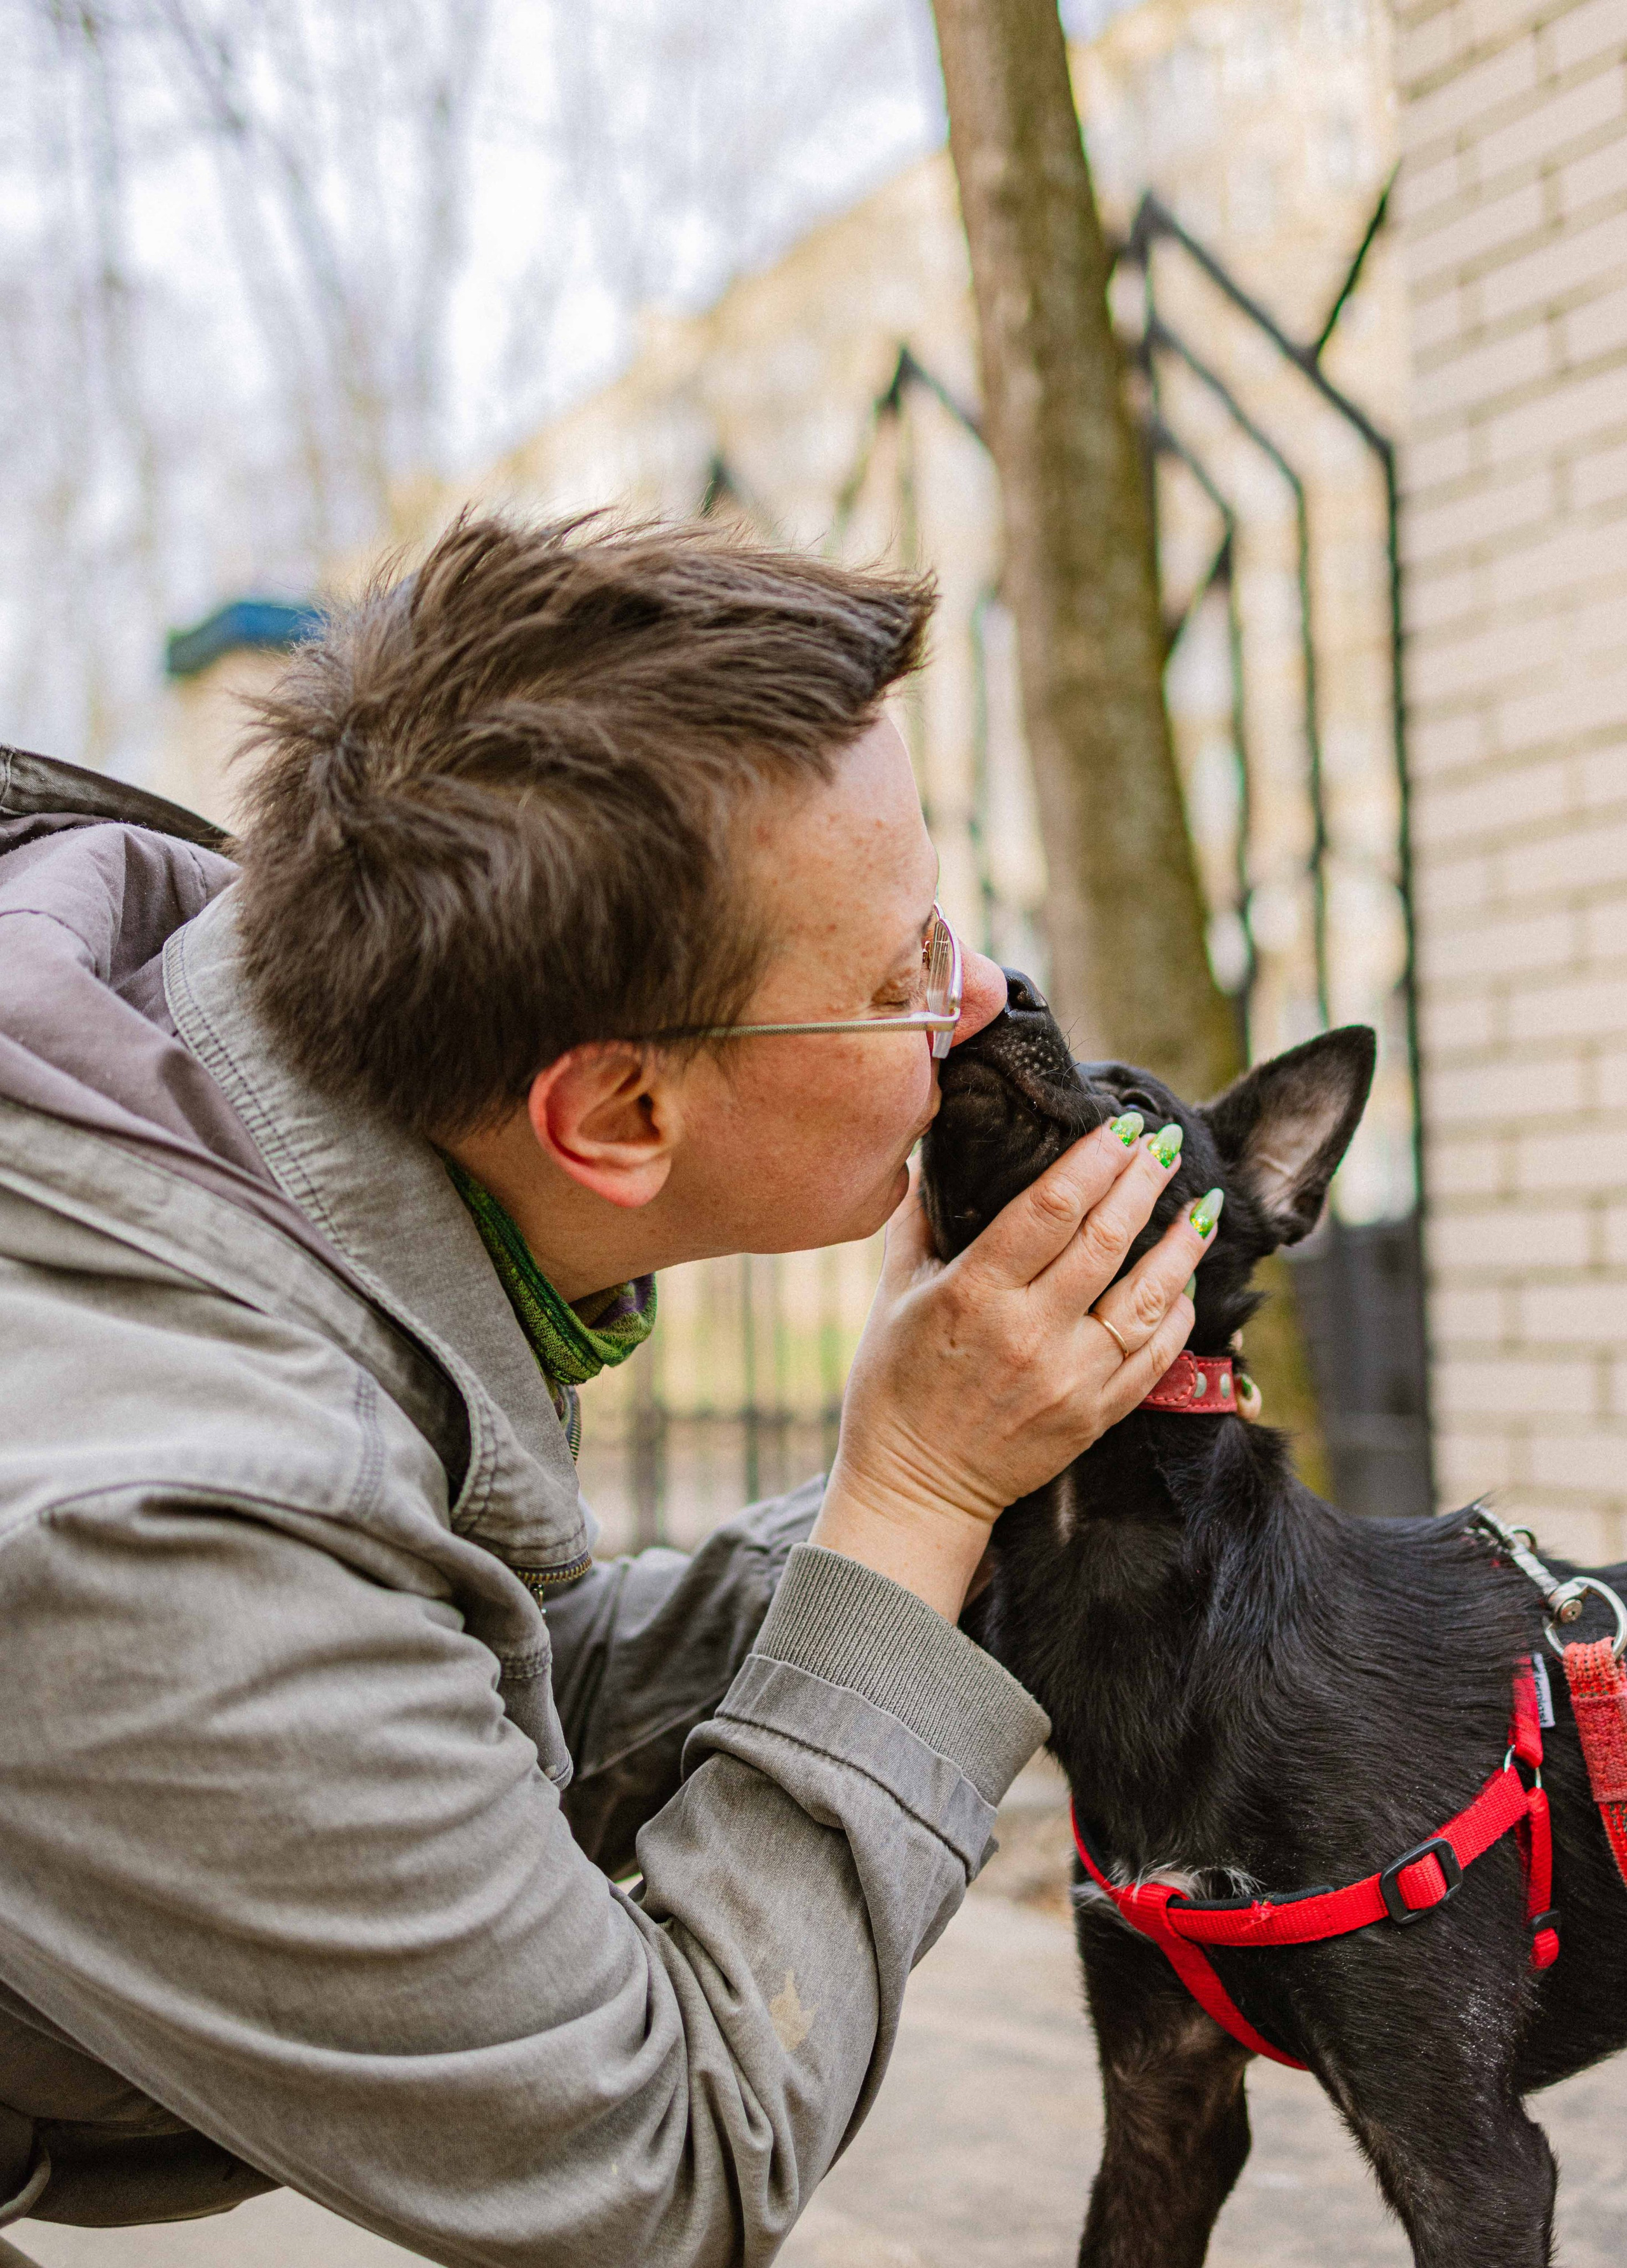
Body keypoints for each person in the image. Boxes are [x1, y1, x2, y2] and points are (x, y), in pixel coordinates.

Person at [0, 515, 1209, 2265]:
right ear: (616, 1117)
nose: (982, 997)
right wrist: (916, 1501)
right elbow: (657, 2172)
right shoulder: (161, 1527)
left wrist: (982, 1471)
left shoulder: (226, 1080)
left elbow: (453, 1707)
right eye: (897, 975)